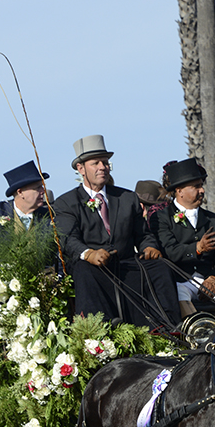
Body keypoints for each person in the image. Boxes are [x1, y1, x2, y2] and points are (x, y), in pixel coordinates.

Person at [53, 135, 178, 327]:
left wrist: (149, 247)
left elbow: (143, 234)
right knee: (83, 270)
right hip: (93, 267)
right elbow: (68, 239)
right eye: (96, 163)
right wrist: (89, 254)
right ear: (81, 168)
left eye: (105, 162)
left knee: (160, 268)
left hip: (126, 264)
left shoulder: (127, 198)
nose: (103, 167)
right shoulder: (66, 202)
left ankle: (166, 329)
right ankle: (100, 333)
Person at [152, 158, 215, 318]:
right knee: (177, 291)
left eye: (201, 185)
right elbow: (169, 252)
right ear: (179, 190)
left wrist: (213, 279)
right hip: (179, 281)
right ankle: (198, 334)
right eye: (196, 186)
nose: (202, 190)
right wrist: (197, 248)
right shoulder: (161, 218)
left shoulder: (213, 220)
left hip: (208, 283)